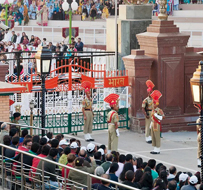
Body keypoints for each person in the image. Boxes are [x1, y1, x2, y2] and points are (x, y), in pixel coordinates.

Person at [150, 90, 165, 154]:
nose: (153, 105)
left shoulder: (159, 110)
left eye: (154, 103)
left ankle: (157, 149)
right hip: (153, 123)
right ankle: (155, 148)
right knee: (153, 136)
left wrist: (157, 116)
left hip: (157, 124)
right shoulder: (153, 110)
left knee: (157, 136)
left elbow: (163, 117)